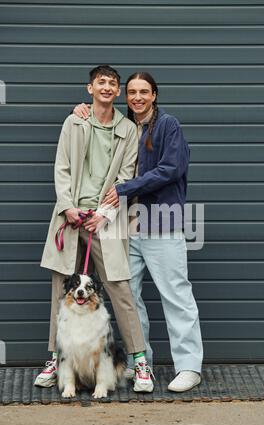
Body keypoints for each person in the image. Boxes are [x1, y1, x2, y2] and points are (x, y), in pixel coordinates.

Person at [73, 72, 203, 392]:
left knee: (176, 296)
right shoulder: (125, 128)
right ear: (124, 96)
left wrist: (125, 188)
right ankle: (137, 360)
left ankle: (189, 367)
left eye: (144, 91)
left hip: (162, 223)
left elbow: (171, 169)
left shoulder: (168, 125)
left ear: (155, 95)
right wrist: (82, 111)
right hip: (126, 227)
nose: (137, 97)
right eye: (131, 92)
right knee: (129, 298)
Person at [34, 65, 154, 393]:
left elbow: (126, 176)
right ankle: (55, 359)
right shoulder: (74, 122)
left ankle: (140, 362)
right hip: (70, 217)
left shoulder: (128, 129)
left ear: (117, 93)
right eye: (100, 82)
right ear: (90, 89)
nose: (106, 88)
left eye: (112, 84)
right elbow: (62, 167)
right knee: (61, 288)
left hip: (106, 219)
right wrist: (68, 207)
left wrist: (102, 214)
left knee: (119, 287)